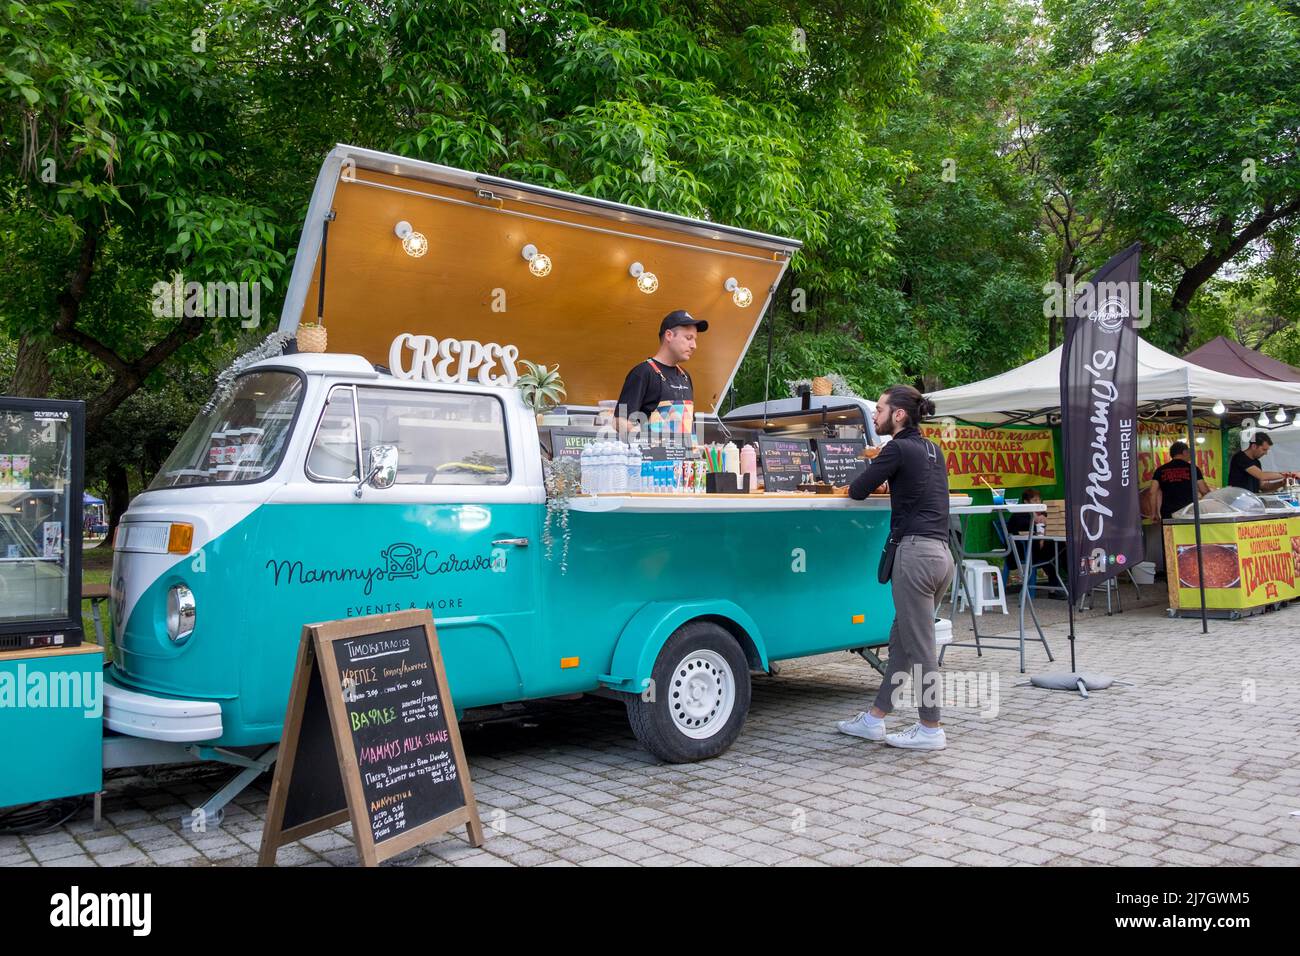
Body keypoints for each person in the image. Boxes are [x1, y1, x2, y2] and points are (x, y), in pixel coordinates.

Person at [836, 385, 954, 751]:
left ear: (899, 414)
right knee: (902, 642)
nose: (875, 415)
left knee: (920, 647)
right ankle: (875, 719)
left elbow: (857, 490)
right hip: (942, 557)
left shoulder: (897, 448)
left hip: (915, 556)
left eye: (880, 409)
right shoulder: (933, 450)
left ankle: (930, 728)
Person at [614, 310, 707, 439]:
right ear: (669, 335)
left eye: (695, 340)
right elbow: (619, 421)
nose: (694, 346)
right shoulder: (643, 373)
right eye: (688, 338)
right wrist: (646, 440)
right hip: (653, 458)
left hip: (686, 457)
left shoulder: (685, 376)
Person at [1004, 488, 1066, 598]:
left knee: (1061, 547)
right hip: (1022, 551)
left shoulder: (1043, 514)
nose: (1038, 502)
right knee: (1053, 550)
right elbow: (1022, 533)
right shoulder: (1019, 514)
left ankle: (1068, 581)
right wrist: (1036, 520)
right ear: (1026, 502)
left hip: (1037, 548)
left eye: (1039, 500)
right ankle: (1053, 588)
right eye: (1035, 500)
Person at [1149, 441, 1211, 520]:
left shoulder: (1160, 470)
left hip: (1168, 514)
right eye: (1188, 452)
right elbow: (1204, 490)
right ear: (1184, 452)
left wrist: (1154, 514)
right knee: (1189, 533)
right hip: (1189, 513)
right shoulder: (1193, 469)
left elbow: (1152, 492)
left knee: (1169, 532)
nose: (1190, 455)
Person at [1227, 432, 1298, 493]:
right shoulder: (1240, 457)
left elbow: (1263, 487)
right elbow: (1262, 475)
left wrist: (1281, 483)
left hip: (1252, 501)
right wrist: (1290, 474)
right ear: (1254, 446)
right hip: (1239, 501)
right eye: (1264, 449)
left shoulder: (1257, 462)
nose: (1266, 453)